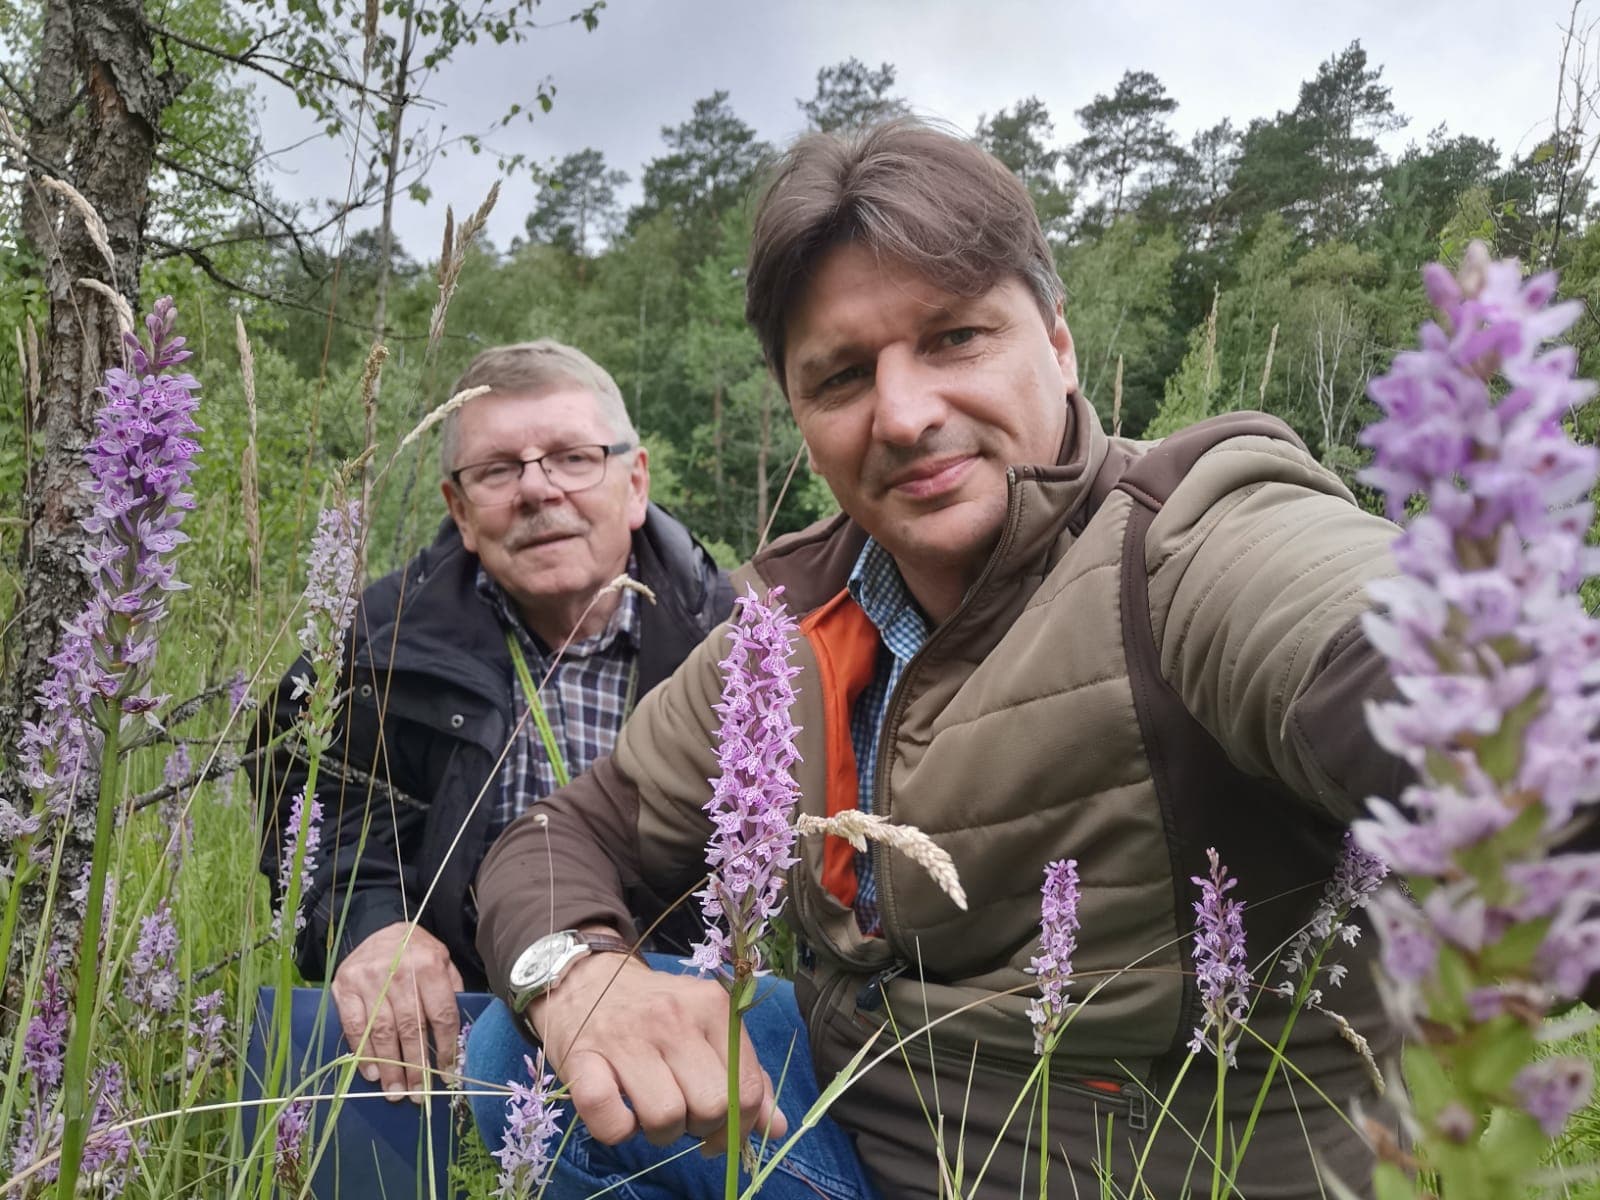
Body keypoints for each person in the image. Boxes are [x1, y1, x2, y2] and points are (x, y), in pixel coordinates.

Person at [469, 121, 1406, 1199]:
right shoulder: (786, 628)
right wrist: (581, 976)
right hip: (846, 1132)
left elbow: (1425, 665)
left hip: (1127, 1167)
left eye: (955, 338)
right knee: (529, 1050)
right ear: (801, 418)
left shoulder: (1184, 544)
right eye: (843, 377)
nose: (906, 415)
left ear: (1056, 344)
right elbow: (559, 835)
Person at [254, 339, 734, 1103]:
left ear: (634, 481)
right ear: (460, 509)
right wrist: (374, 927)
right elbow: (319, 823)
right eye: (498, 470)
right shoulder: (374, 648)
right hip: (462, 1039)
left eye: (574, 457)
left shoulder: (736, 640)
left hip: (694, 1022)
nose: (538, 492)